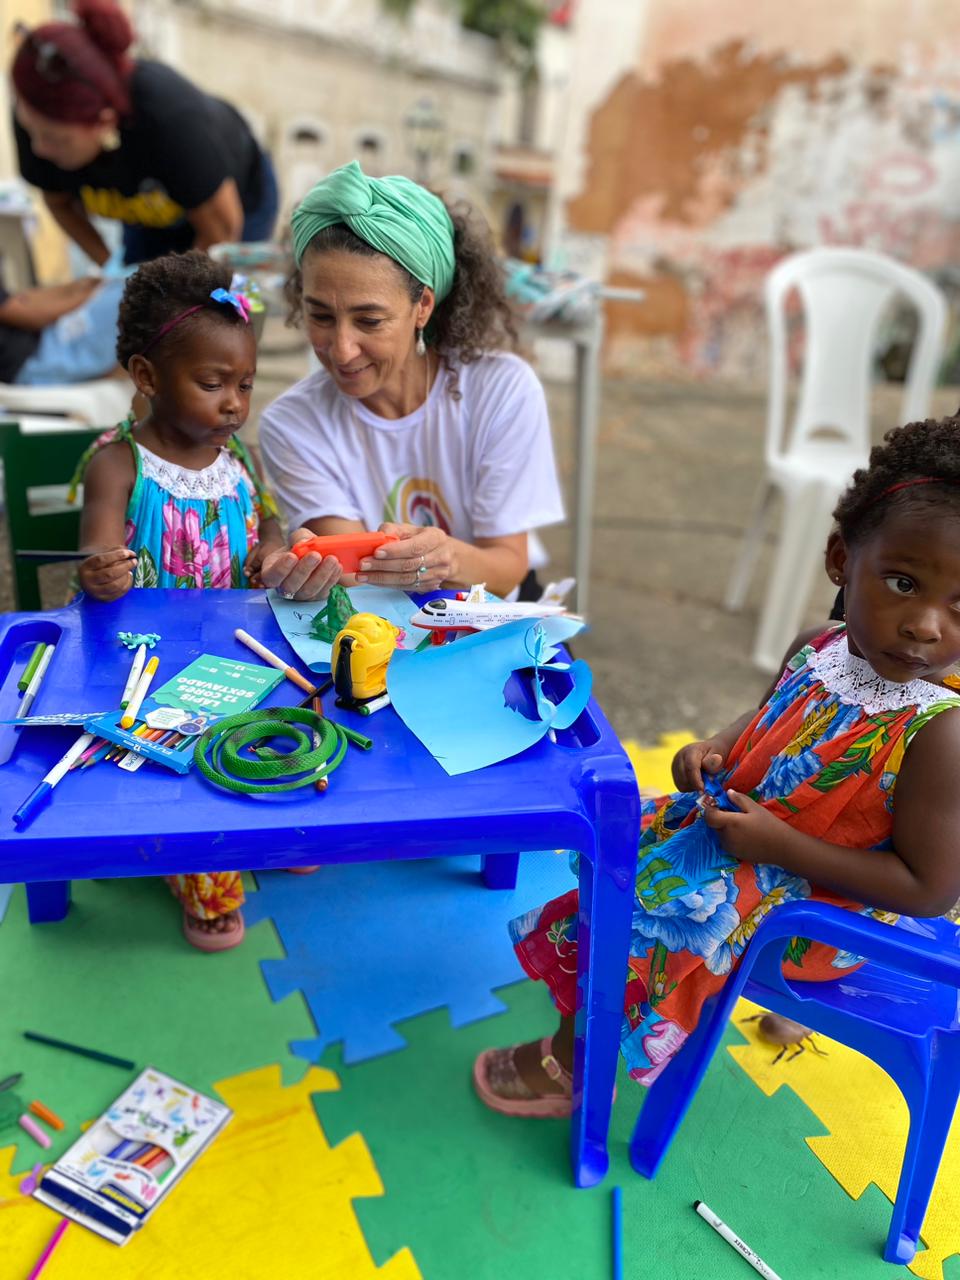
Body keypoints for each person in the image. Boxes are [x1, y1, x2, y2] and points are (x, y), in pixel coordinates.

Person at [473, 419, 960, 1115]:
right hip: (748, 844)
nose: (925, 625)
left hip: (826, 916)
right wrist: (709, 752)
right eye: (903, 581)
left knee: (647, 912)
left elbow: (926, 890)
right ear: (840, 559)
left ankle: (576, 1059)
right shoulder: (817, 647)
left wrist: (777, 846)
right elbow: (755, 730)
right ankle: (590, 1002)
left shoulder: (940, 735)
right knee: (617, 849)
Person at [73, 249, 283, 952]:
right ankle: (202, 872)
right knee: (187, 771)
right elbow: (96, 553)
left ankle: (265, 822)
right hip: (147, 669)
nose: (234, 403)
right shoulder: (119, 463)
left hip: (238, 654)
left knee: (300, 721)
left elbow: (270, 518)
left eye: (245, 385)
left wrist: (273, 547)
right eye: (213, 382)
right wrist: (101, 572)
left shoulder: (238, 458)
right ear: (146, 376)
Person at [257, 160, 563, 603]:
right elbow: (356, 575)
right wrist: (303, 568)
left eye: (370, 320)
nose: (341, 349)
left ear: (423, 306)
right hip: (378, 628)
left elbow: (506, 569)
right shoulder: (292, 423)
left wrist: (448, 559)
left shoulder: (501, 389)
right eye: (320, 315)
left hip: (492, 618)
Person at [11, 0, 277, 268]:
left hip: (234, 201)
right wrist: (110, 269)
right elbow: (59, 203)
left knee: (218, 297)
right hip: (149, 209)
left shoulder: (171, 120)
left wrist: (173, 298)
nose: (40, 149)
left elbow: (221, 234)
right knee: (135, 289)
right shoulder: (40, 113)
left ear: (104, 123)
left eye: (57, 140)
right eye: (31, 129)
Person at [0, 262, 124, 386]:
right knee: (122, 298)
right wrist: (89, 295)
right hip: (32, 363)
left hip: (41, 347)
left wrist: (78, 289)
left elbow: (23, 301)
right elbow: (28, 315)